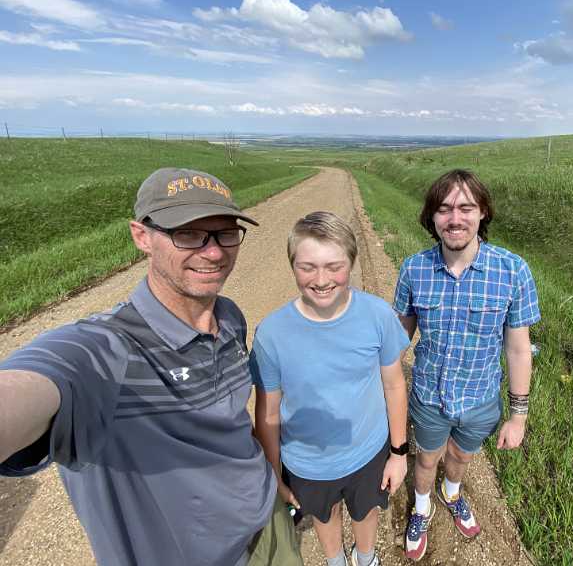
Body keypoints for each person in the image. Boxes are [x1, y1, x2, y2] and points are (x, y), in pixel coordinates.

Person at [0, 167, 302, 566]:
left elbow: (230, 419)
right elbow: (35, 384)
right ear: (141, 235)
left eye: (225, 233)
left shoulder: (229, 318)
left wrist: (271, 475)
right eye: (188, 234)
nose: (214, 252)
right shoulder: (106, 351)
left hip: (267, 521)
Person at [394, 169, 541, 561]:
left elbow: (518, 350)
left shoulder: (513, 271)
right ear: (432, 217)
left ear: (483, 213)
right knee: (427, 459)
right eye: (444, 209)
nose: (454, 218)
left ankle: (452, 492)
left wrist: (518, 417)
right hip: (429, 396)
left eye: (465, 208)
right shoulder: (413, 269)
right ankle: (421, 508)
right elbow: (398, 339)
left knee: (460, 457)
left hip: (480, 400)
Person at [250, 211, 409, 566]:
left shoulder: (377, 315)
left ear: (351, 263)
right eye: (307, 267)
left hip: (368, 451)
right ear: (292, 266)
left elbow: (394, 384)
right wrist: (274, 475)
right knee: (324, 516)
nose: (321, 280)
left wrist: (398, 453)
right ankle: (335, 560)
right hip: (307, 464)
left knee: (366, 511)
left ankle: (365, 557)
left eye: (334, 267)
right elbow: (268, 412)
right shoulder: (271, 334)